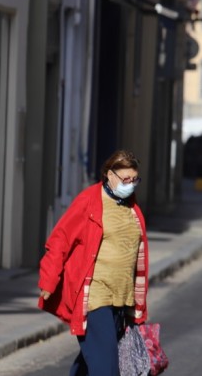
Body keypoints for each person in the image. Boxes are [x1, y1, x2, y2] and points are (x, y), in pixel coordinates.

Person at [38, 150, 150, 376]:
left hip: (122, 298)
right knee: (106, 367)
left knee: (93, 362)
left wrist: (137, 305)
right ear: (110, 175)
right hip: (95, 296)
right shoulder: (90, 201)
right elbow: (60, 240)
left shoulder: (132, 208)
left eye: (134, 180)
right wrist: (48, 280)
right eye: (125, 179)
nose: (130, 185)